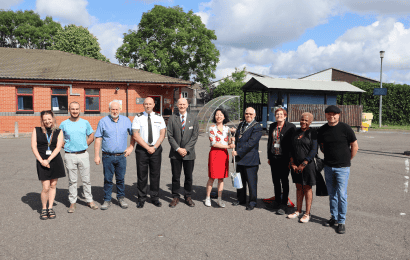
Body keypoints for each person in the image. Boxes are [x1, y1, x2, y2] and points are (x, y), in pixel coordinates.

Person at [317, 105, 359, 234]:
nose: (332, 116)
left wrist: (347, 160)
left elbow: (354, 146)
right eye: (329, 114)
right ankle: (334, 217)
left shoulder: (345, 128)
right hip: (328, 167)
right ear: (326, 115)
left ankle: (341, 222)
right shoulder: (323, 129)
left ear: (339, 115)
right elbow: (322, 146)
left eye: (334, 114)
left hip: (342, 168)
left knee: (341, 195)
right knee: (332, 194)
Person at [94, 100, 135, 210]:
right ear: (109, 110)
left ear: (120, 110)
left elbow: (134, 135)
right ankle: (107, 199)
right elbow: (98, 138)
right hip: (107, 156)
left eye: (117, 109)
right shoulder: (103, 121)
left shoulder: (126, 121)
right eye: (113, 109)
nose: (115, 111)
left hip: (122, 156)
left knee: (120, 179)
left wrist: (131, 147)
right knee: (108, 179)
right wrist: (96, 155)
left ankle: (121, 198)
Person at [60, 101, 98, 213]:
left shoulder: (85, 122)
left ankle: (89, 200)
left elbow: (91, 135)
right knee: (72, 181)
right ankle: (72, 202)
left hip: (83, 154)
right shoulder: (64, 124)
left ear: (79, 110)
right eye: (73, 109)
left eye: (77, 109)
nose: (75, 111)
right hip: (70, 155)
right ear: (69, 110)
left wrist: (85, 145)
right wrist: (64, 146)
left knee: (86, 180)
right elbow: (59, 137)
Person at [132, 97, 166, 208]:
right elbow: (135, 135)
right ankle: (141, 198)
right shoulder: (138, 117)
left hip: (155, 149)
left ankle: (155, 198)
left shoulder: (159, 117)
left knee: (155, 174)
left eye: (150, 104)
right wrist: (147, 147)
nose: (147, 106)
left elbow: (162, 134)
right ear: (143, 105)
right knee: (142, 175)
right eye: (146, 104)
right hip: (142, 150)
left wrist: (154, 147)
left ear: (153, 105)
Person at [31, 110, 66, 220]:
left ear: (53, 118)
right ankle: (44, 208)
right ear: (42, 120)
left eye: (49, 119)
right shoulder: (36, 130)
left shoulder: (59, 131)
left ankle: (50, 207)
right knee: (45, 187)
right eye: (45, 119)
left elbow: (58, 147)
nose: (47, 121)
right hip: (41, 161)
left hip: (54, 161)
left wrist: (48, 160)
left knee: (53, 185)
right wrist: (42, 161)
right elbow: (34, 147)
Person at [167, 98, 199, 208]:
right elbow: (170, 136)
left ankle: (188, 196)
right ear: (177, 105)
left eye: (183, 104)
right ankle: (175, 197)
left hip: (189, 153)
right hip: (175, 153)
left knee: (188, 176)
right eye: (180, 104)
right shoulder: (172, 118)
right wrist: (178, 149)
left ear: (187, 105)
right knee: (176, 176)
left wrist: (186, 149)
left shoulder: (193, 118)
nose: (181, 106)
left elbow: (195, 136)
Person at [288, 112, 317, 223]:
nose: (303, 122)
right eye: (302, 119)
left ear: (310, 122)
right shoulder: (295, 132)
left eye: (306, 120)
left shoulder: (312, 133)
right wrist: (292, 163)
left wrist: (304, 164)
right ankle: (298, 211)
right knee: (298, 187)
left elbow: (314, 150)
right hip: (295, 166)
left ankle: (307, 213)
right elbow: (290, 149)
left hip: (307, 166)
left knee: (307, 188)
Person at [232, 107, 263, 211]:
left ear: (254, 115)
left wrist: (238, 152)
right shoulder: (241, 124)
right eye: (246, 114)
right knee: (240, 181)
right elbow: (238, 138)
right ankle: (241, 199)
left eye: (250, 114)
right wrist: (233, 138)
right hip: (240, 159)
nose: (248, 116)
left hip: (250, 159)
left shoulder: (257, 126)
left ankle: (252, 202)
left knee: (251, 182)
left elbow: (251, 143)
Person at [267, 108, 296, 215]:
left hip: (285, 159)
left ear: (285, 116)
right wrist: (269, 157)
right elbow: (270, 142)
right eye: (277, 114)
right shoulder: (272, 126)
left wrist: (291, 159)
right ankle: (277, 201)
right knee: (275, 181)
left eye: (281, 114)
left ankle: (284, 204)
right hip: (274, 158)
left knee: (284, 181)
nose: (279, 116)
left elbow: (293, 144)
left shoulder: (290, 127)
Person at [205, 108, 235, 208]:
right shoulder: (212, 128)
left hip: (224, 155)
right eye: (217, 115)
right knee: (212, 177)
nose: (218, 116)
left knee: (221, 178)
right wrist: (228, 146)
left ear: (224, 117)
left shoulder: (227, 129)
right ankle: (208, 197)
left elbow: (229, 143)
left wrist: (232, 139)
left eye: (221, 115)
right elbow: (214, 143)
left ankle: (219, 199)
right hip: (215, 154)